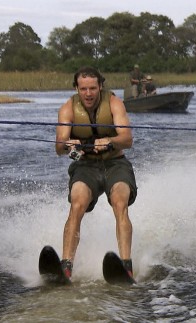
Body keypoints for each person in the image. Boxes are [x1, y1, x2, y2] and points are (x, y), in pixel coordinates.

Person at [55, 66, 138, 280]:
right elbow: (59, 149)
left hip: (115, 163)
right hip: (85, 165)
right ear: (77, 88)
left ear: (100, 86)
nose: (88, 93)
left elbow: (127, 140)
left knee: (120, 201)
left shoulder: (113, 103)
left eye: (92, 88)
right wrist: (69, 146)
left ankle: (126, 265)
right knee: (77, 202)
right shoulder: (67, 109)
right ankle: (66, 266)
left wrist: (111, 141)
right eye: (83, 89)